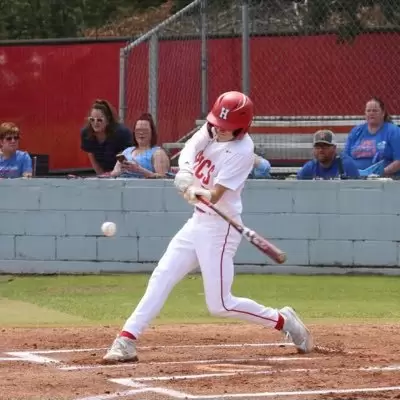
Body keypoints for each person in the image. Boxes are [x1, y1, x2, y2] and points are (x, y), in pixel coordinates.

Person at [103, 91, 313, 363]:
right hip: (197, 222)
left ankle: (284, 321)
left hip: (220, 229)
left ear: (241, 128)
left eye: (227, 127)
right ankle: (126, 340)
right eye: (217, 123)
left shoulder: (242, 151)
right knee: (162, 275)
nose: (219, 129)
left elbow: (215, 195)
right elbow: (191, 147)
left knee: (220, 304)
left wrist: (198, 191)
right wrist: (185, 172)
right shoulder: (212, 128)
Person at [344, 97, 400, 177]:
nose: (371, 113)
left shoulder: (394, 131)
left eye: (375, 110)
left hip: (384, 179)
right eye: (368, 111)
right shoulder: (356, 131)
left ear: (383, 113)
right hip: (355, 177)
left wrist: (381, 173)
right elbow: (345, 157)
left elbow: (399, 161)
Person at [80, 99, 133, 175]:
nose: (95, 123)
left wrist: (113, 174)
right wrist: (101, 175)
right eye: (92, 119)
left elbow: (124, 159)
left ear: (108, 120)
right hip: (104, 171)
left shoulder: (121, 133)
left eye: (99, 120)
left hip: (123, 170)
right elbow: (92, 156)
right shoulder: (86, 133)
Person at [110, 113, 170, 178]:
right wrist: (118, 171)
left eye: (145, 130)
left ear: (152, 132)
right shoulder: (126, 151)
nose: (141, 133)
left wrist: (139, 170)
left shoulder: (158, 153)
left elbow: (163, 178)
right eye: (138, 130)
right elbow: (113, 174)